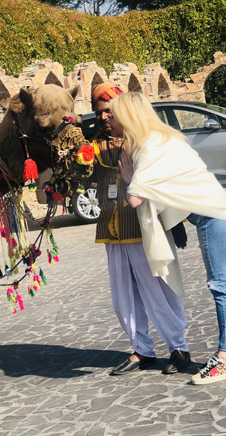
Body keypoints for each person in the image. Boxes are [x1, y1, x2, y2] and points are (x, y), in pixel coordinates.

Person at [110, 91, 226, 384]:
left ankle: (224, 359)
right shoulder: (165, 138)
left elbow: (135, 198)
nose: (110, 120)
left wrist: (127, 176)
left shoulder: (151, 146)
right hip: (215, 212)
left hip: (214, 217)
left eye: (113, 115)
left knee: (221, 287)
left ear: (127, 117)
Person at [91, 83, 191, 376]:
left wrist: (176, 221)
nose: (104, 118)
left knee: (160, 290)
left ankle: (179, 347)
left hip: (146, 228)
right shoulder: (95, 145)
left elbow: (170, 182)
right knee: (123, 296)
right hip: (112, 228)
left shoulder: (149, 141)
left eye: (109, 112)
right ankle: (141, 351)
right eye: (100, 113)